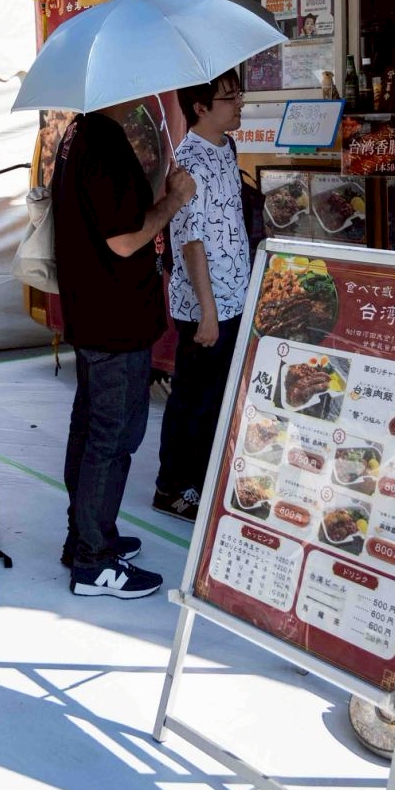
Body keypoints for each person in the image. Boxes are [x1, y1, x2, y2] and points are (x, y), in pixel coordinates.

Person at [53, 105, 195, 598]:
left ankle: (86, 538)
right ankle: (93, 561)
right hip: (113, 320)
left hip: (95, 314)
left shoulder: (78, 134)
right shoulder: (103, 145)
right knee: (111, 438)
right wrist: (173, 201)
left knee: (91, 430)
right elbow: (124, 239)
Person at [154, 71, 248, 522]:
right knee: (193, 398)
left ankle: (205, 479)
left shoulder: (227, 147)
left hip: (234, 297)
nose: (239, 103)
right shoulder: (189, 162)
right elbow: (190, 244)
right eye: (229, 97)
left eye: (238, 94)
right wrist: (208, 313)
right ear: (200, 108)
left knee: (218, 397)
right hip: (204, 307)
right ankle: (172, 487)